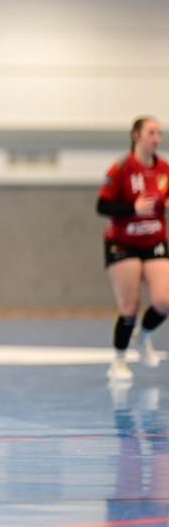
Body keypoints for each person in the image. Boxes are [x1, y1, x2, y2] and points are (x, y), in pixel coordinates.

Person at [97, 116, 169, 382]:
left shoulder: (164, 168)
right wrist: (133, 209)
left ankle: (145, 335)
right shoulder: (120, 168)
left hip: (154, 240)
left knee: (164, 301)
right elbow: (102, 207)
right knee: (129, 306)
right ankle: (118, 361)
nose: (156, 137)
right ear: (136, 135)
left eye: (159, 133)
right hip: (122, 242)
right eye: (151, 132)